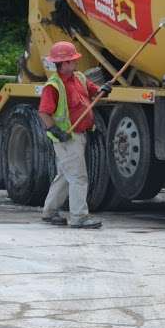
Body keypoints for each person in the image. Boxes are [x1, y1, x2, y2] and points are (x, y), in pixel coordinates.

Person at [38, 41, 111, 228]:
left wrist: (104, 90)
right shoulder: (53, 86)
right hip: (67, 138)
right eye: (71, 60)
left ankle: (49, 212)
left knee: (64, 175)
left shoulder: (79, 77)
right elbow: (44, 112)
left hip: (79, 135)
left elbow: (95, 93)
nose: (75, 62)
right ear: (62, 64)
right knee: (78, 177)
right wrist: (54, 130)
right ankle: (79, 217)